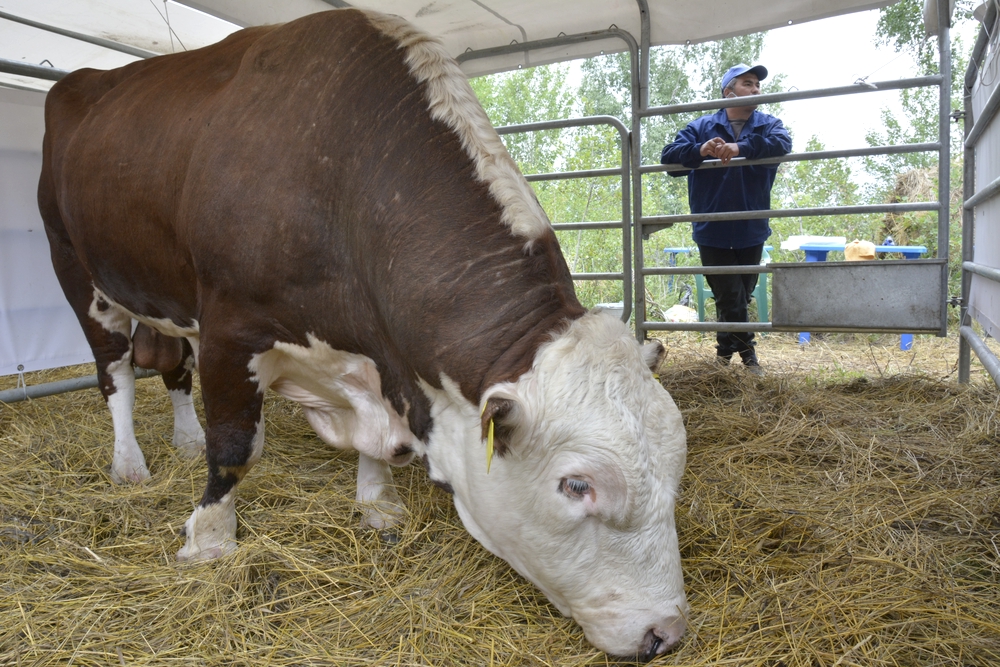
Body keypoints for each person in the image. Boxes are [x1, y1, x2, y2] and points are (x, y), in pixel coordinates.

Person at [660, 63, 791, 371]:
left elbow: (783, 144)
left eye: (757, 84)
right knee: (731, 295)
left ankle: (722, 356)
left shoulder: (769, 124)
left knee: (737, 297)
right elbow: (668, 157)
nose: (756, 89)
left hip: (751, 226)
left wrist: (740, 147)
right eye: (748, 83)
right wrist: (700, 150)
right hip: (712, 227)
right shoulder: (702, 127)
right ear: (728, 92)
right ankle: (749, 357)